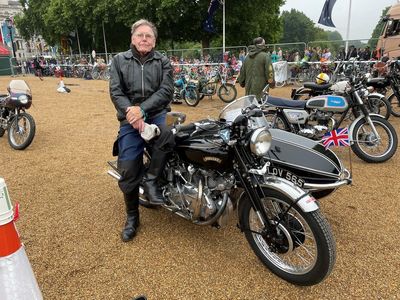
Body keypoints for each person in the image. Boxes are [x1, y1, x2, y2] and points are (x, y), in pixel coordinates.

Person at [109, 19, 175, 242]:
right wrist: (132, 113)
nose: (144, 38)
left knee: (168, 137)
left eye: (149, 36)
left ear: (154, 41)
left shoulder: (163, 61)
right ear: (132, 38)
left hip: (154, 113)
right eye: (140, 35)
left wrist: (143, 111)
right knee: (127, 169)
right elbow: (116, 92)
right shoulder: (119, 60)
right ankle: (132, 217)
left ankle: (151, 180)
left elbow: (166, 91)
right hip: (129, 117)